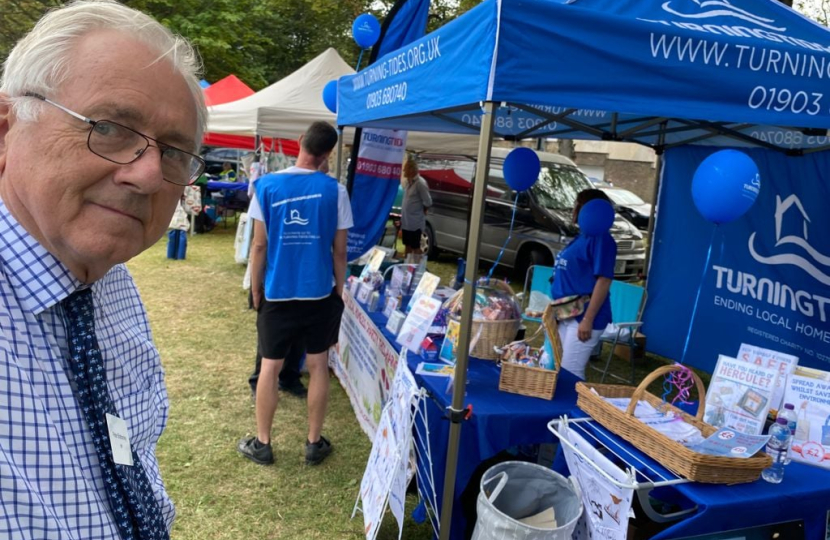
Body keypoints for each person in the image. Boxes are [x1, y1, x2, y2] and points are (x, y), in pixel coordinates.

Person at [0, 1, 206, 538]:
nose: (148, 175)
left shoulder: (110, 281)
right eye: (111, 127)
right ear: (4, 130)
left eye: (176, 152)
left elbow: (130, 451)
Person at [238, 122, 351, 466]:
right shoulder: (336, 191)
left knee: (270, 367)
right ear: (329, 154)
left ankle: (263, 443)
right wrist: (339, 292)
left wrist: (256, 289)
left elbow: (259, 245)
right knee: (318, 366)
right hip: (319, 293)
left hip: (278, 293)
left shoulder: (266, 185)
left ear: (299, 141)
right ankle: (314, 442)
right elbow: (340, 251)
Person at [550, 190, 617, 379]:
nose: (573, 209)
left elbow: (603, 280)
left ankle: (572, 408)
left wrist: (588, 319)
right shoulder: (582, 237)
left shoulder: (602, 239)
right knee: (558, 368)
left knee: (570, 373)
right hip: (567, 312)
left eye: (576, 204)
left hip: (584, 316)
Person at [400, 157, 432, 258]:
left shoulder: (420, 183)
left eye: (406, 168)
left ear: (412, 170)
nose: (404, 171)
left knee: (415, 247)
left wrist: (423, 210)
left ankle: (417, 268)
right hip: (406, 222)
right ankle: (406, 268)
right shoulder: (409, 182)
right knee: (407, 246)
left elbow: (428, 201)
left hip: (415, 224)